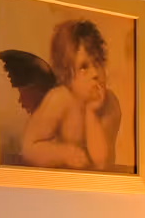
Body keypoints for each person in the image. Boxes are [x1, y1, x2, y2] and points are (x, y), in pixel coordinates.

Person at [19, 19, 122, 170]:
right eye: (84, 67)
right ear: (66, 74)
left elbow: (102, 163)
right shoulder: (59, 99)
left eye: (98, 62)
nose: (95, 73)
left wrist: (91, 114)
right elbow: (28, 148)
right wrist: (64, 154)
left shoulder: (110, 104)